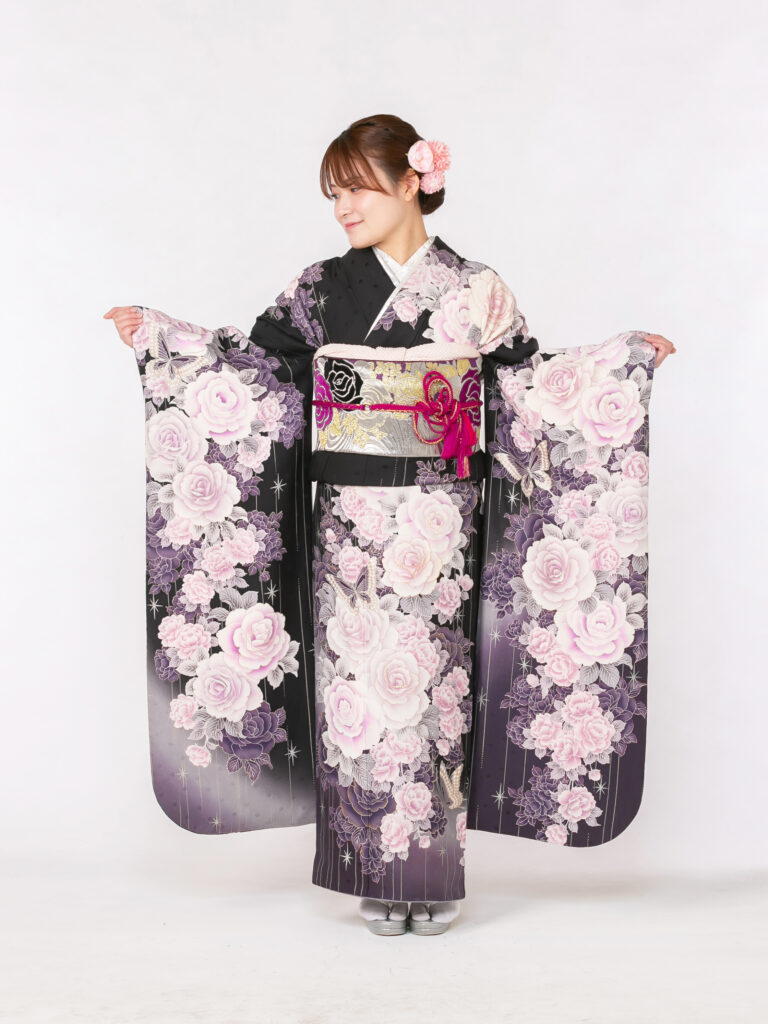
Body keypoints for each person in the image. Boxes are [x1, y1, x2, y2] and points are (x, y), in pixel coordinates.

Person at [105, 114, 676, 937]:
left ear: (412, 181)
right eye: (334, 194)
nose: (344, 208)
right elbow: (258, 371)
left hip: (444, 526)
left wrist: (619, 365)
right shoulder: (320, 289)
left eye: (359, 189)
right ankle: (374, 869)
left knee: (435, 692)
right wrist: (168, 341)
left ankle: (432, 874)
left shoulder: (476, 289)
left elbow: (527, 386)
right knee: (361, 698)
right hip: (351, 529)